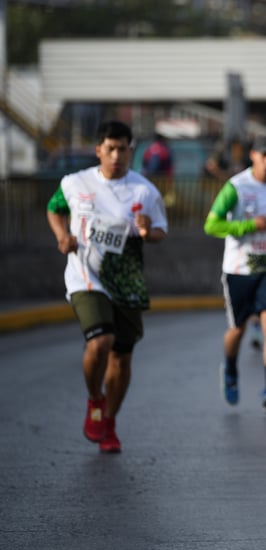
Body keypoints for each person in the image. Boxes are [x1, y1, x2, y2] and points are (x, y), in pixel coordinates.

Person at [46, 120, 168, 453]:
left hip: (126, 279)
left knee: (122, 359)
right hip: (85, 275)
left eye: (123, 149)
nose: (116, 156)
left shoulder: (144, 190)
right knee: (101, 341)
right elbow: (55, 209)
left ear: (131, 150)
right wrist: (62, 236)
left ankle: (110, 421)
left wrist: (146, 231)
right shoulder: (75, 183)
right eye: (109, 148)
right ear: (98, 149)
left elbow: (160, 231)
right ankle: (94, 399)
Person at [203, 136, 266, 414]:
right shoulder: (237, 187)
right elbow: (212, 225)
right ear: (253, 155)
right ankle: (230, 368)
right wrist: (247, 226)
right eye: (263, 155)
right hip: (239, 268)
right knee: (238, 329)